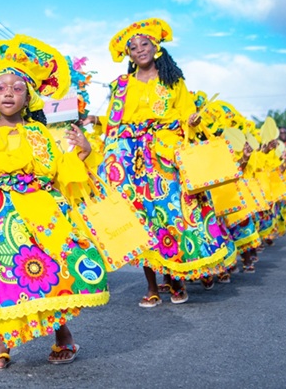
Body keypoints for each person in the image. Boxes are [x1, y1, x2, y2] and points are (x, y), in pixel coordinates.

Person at [0, 35, 109, 370]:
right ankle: (2, 341)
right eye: (1, 87)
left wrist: (83, 151)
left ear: (29, 96)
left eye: (17, 87)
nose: (9, 93)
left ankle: (62, 335)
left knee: (50, 273)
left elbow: (60, 172)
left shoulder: (40, 134)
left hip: (37, 212)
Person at [87, 18, 228, 306]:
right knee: (140, 219)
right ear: (128, 55)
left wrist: (191, 121)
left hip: (164, 158)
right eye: (133, 47)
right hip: (130, 161)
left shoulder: (173, 81)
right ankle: (151, 286)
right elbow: (115, 123)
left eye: (145, 44)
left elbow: (187, 114)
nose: (140, 49)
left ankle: (176, 279)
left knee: (169, 217)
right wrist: (95, 121)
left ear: (156, 47)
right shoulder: (122, 85)